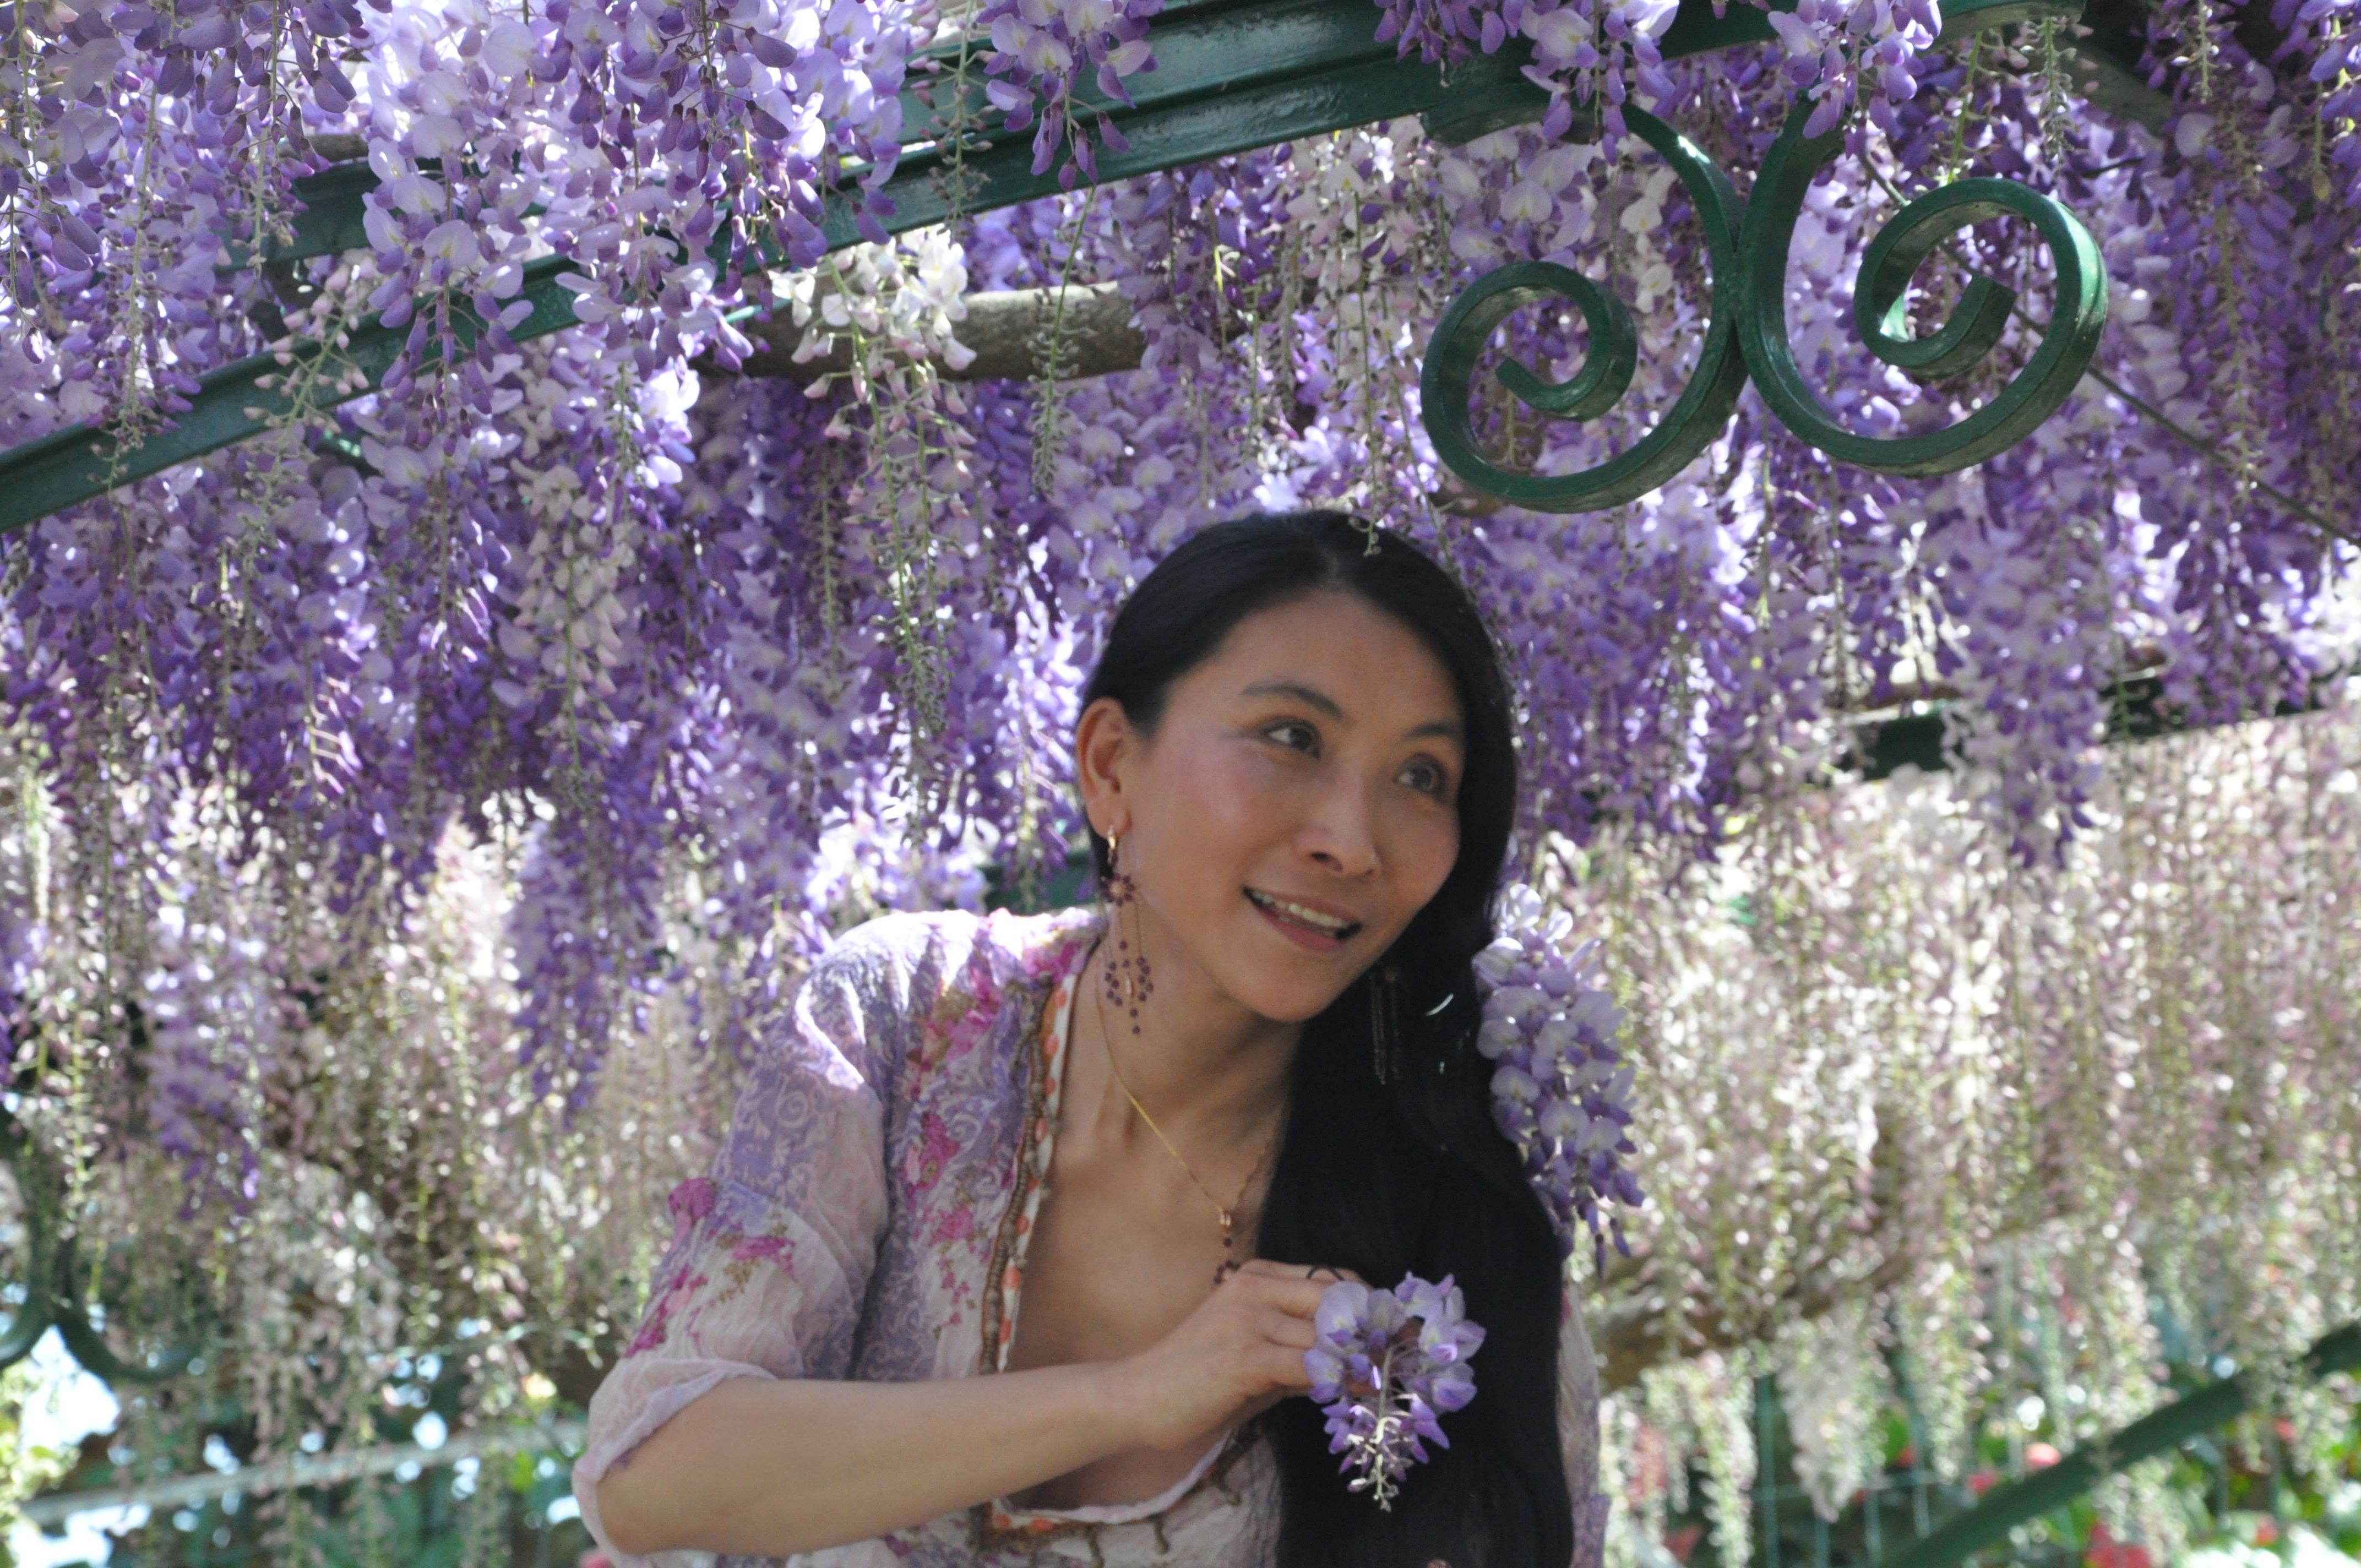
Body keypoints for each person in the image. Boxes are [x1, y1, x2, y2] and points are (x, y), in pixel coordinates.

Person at [573, 511, 1609, 1567]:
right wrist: (1137, 1397)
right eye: (1293, 737)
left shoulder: (1456, 1209)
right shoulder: (916, 1016)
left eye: (1422, 777)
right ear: (1111, 765)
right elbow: (650, 1475)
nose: (1351, 840)